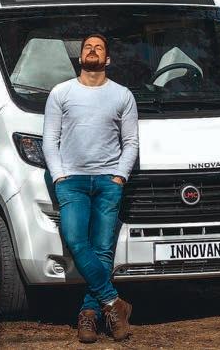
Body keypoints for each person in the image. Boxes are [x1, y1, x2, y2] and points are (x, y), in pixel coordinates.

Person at [42, 34, 139, 343]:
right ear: (80, 57)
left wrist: (120, 176)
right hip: (72, 181)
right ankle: (114, 302)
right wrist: (59, 176)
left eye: (99, 47)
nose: (92, 50)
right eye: (87, 47)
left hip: (109, 181)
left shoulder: (122, 95)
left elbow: (131, 142)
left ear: (107, 59)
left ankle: (89, 315)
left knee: (102, 250)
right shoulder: (61, 93)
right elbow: (49, 140)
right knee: (74, 239)